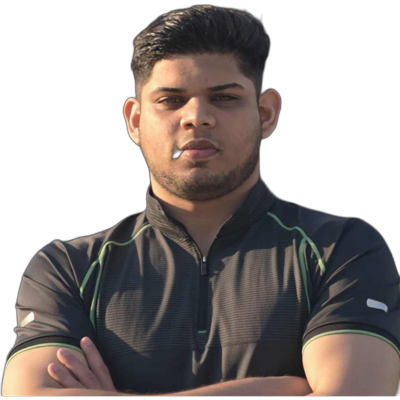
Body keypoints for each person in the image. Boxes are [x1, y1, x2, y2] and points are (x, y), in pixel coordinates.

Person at [3, 5, 399, 397]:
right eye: (170, 100)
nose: (196, 117)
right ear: (135, 121)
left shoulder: (341, 248)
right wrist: (280, 389)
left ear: (266, 114)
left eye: (224, 97)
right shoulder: (67, 268)